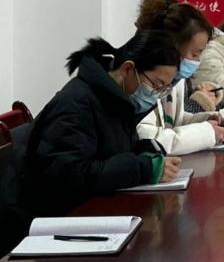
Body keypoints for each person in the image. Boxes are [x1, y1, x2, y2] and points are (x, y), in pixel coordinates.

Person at [16, 31, 184, 223]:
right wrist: (144, 169)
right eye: (156, 85)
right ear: (127, 69)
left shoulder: (117, 100)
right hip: (56, 218)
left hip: (92, 208)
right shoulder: (76, 103)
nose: (155, 94)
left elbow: (113, 152)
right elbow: (71, 174)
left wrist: (146, 152)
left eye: (163, 89)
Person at [135, 0, 224, 154]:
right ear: (172, 47)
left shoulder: (176, 79)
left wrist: (205, 120)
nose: (197, 61)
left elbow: (173, 122)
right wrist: (206, 133)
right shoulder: (143, 77)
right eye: (195, 54)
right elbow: (146, 137)